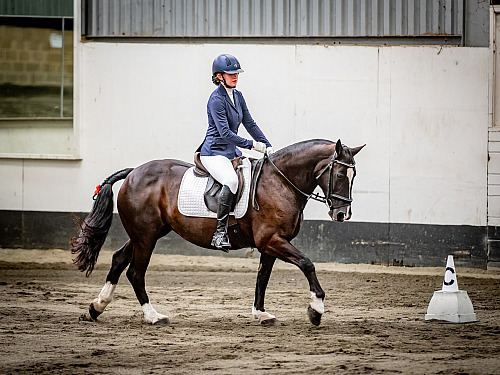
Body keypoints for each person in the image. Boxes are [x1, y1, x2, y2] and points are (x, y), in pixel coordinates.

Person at [199, 53, 273, 251]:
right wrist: (252, 145)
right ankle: (219, 232)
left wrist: (267, 144)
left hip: (231, 150)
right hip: (214, 152)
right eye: (230, 74)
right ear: (219, 76)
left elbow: (249, 123)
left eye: (236, 73)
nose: (235, 77)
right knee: (231, 181)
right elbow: (225, 133)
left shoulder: (238, 96)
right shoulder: (216, 100)